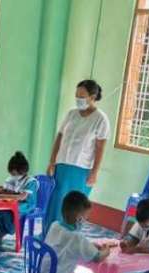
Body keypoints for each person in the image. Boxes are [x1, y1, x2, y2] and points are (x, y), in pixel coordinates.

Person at [44, 79, 110, 233]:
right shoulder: (71, 114)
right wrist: (52, 162)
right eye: (77, 96)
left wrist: (94, 172)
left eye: (82, 96)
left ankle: (68, 240)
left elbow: (100, 148)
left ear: (92, 97)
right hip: (61, 166)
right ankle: (49, 236)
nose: (78, 99)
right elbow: (59, 138)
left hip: (81, 170)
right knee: (55, 204)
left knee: (73, 209)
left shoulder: (100, 119)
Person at [43, 191, 111, 273]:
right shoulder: (77, 237)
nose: (86, 221)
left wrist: (89, 245)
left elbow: (66, 244)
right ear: (79, 218)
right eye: (86, 217)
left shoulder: (55, 225)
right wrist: (106, 251)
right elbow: (97, 257)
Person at [0, 151, 39, 248]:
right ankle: (2, 231)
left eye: (14, 173)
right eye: (11, 173)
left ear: (22, 171)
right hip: (14, 202)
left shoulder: (31, 182)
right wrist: (0, 191)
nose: (12, 175)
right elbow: (8, 189)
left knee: (11, 210)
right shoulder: (14, 179)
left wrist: (3, 196)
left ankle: (11, 229)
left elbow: (22, 197)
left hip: (27, 204)